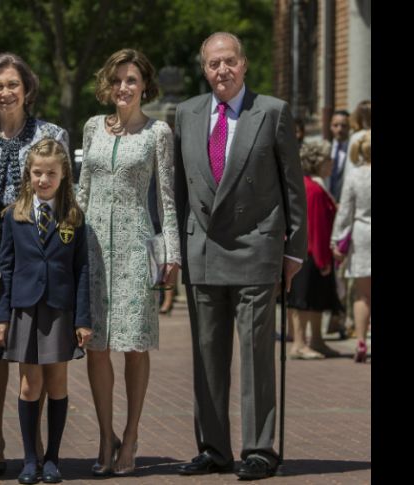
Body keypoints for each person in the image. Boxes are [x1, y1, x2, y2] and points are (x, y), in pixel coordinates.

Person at [173, 32, 306, 480]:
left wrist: (295, 253)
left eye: (229, 61)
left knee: (254, 354)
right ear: (204, 68)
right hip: (203, 249)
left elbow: (293, 188)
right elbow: (177, 190)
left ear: (244, 65)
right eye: (214, 64)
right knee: (208, 356)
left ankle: (258, 449)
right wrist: (174, 247)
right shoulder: (187, 113)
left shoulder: (272, 112)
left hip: (256, 246)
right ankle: (213, 448)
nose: (222, 71)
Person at [0, 52, 68, 476]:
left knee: (36, 354)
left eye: (12, 84)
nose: (5, 92)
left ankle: (37, 442)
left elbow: (64, 196)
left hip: (35, 259)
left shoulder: (52, 133)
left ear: (27, 89)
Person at [77, 48, 179, 477]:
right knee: (96, 346)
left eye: (132, 80)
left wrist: (170, 251)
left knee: (135, 346)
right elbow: (81, 190)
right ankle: (105, 435)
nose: (123, 87)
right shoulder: (91, 127)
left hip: (137, 247)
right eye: (117, 79)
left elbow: (167, 197)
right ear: (107, 84)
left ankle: (131, 434)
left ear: (144, 85)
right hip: (92, 246)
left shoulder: (158, 133)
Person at [0, 139, 92, 484]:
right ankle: (30, 458)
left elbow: (82, 270)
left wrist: (82, 318)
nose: (44, 179)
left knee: (57, 382)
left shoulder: (74, 218)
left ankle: (53, 457)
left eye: (51, 173)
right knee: (29, 385)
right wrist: (1, 314)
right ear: (28, 174)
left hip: (60, 310)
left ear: (64, 174)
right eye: (38, 173)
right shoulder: (14, 215)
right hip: (25, 309)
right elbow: (4, 267)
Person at [287, 141, 343, 359]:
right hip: (311, 254)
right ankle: (300, 344)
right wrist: (322, 259)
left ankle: (317, 341)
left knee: (318, 300)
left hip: (312, 252)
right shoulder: (313, 189)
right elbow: (316, 227)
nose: (331, 163)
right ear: (318, 162)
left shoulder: (311, 185)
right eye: (328, 159)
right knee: (304, 301)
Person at [332, 130, 371, 362]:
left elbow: (345, 212)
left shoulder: (355, 176)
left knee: (362, 295)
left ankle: (361, 342)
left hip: (362, 234)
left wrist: (336, 240)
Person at [325, 110, 351, 202]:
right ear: (330, 126)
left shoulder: (353, 151)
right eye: (335, 125)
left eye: (343, 126)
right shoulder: (325, 150)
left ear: (349, 127)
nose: (339, 129)